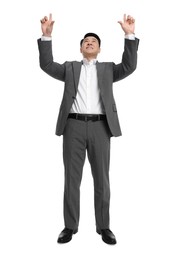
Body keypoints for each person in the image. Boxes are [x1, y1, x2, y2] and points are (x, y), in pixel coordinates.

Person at [38, 13, 139, 245]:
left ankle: (103, 226)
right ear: (81, 48)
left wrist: (129, 34)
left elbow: (130, 65)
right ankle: (69, 226)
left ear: (99, 48)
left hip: (101, 128)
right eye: (86, 41)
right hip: (72, 125)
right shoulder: (70, 68)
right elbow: (46, 65)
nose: (90, 42)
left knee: (102, 179)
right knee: (71, 179)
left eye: (94, 41)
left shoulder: (108, 69)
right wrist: (46, 36)